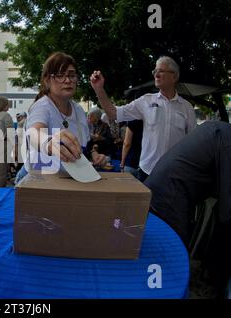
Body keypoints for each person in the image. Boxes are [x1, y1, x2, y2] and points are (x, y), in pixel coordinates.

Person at [144, 121, 231, 297]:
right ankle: (166, 291)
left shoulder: (220, 129)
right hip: (171, 195)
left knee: (162, 253)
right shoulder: (228, 141)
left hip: (162, 189)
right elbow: (227, 210)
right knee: (171, 257)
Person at [90, 56, 197, 182]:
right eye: (155, 71)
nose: (156, 74)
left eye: (161, 71)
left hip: (175, 174)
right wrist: (99, 89)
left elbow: (193, 144)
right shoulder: (146, 101)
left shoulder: (187, 108)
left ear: (174, 77)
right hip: (147, 173)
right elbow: (114, 113)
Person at [23, 52, 106, 177]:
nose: (67, 80)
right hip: (40, 181)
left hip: (71, 180)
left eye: (72, 75)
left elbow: (86, 145)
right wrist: (50, 143)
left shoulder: (78, 110)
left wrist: (94, 154)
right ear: (47, 80)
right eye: (60, 75)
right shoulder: (42, 107)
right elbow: (34, 134)